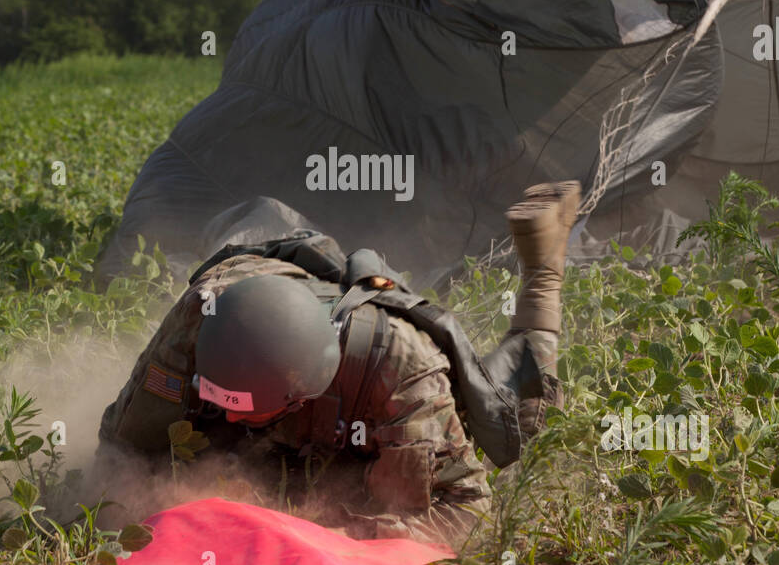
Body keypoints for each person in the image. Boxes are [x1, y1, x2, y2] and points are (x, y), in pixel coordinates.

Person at [96, 181, 582, 544]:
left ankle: (542, 271)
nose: (230, 417)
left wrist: (354, 536)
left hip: (365, 374)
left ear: (301, 394)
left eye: (245, 409)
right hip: (279, 300)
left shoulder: (405, 370)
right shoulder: (200, 320)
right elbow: (125, 445)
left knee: (514, 413)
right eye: (220, 399)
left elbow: (467, 510)